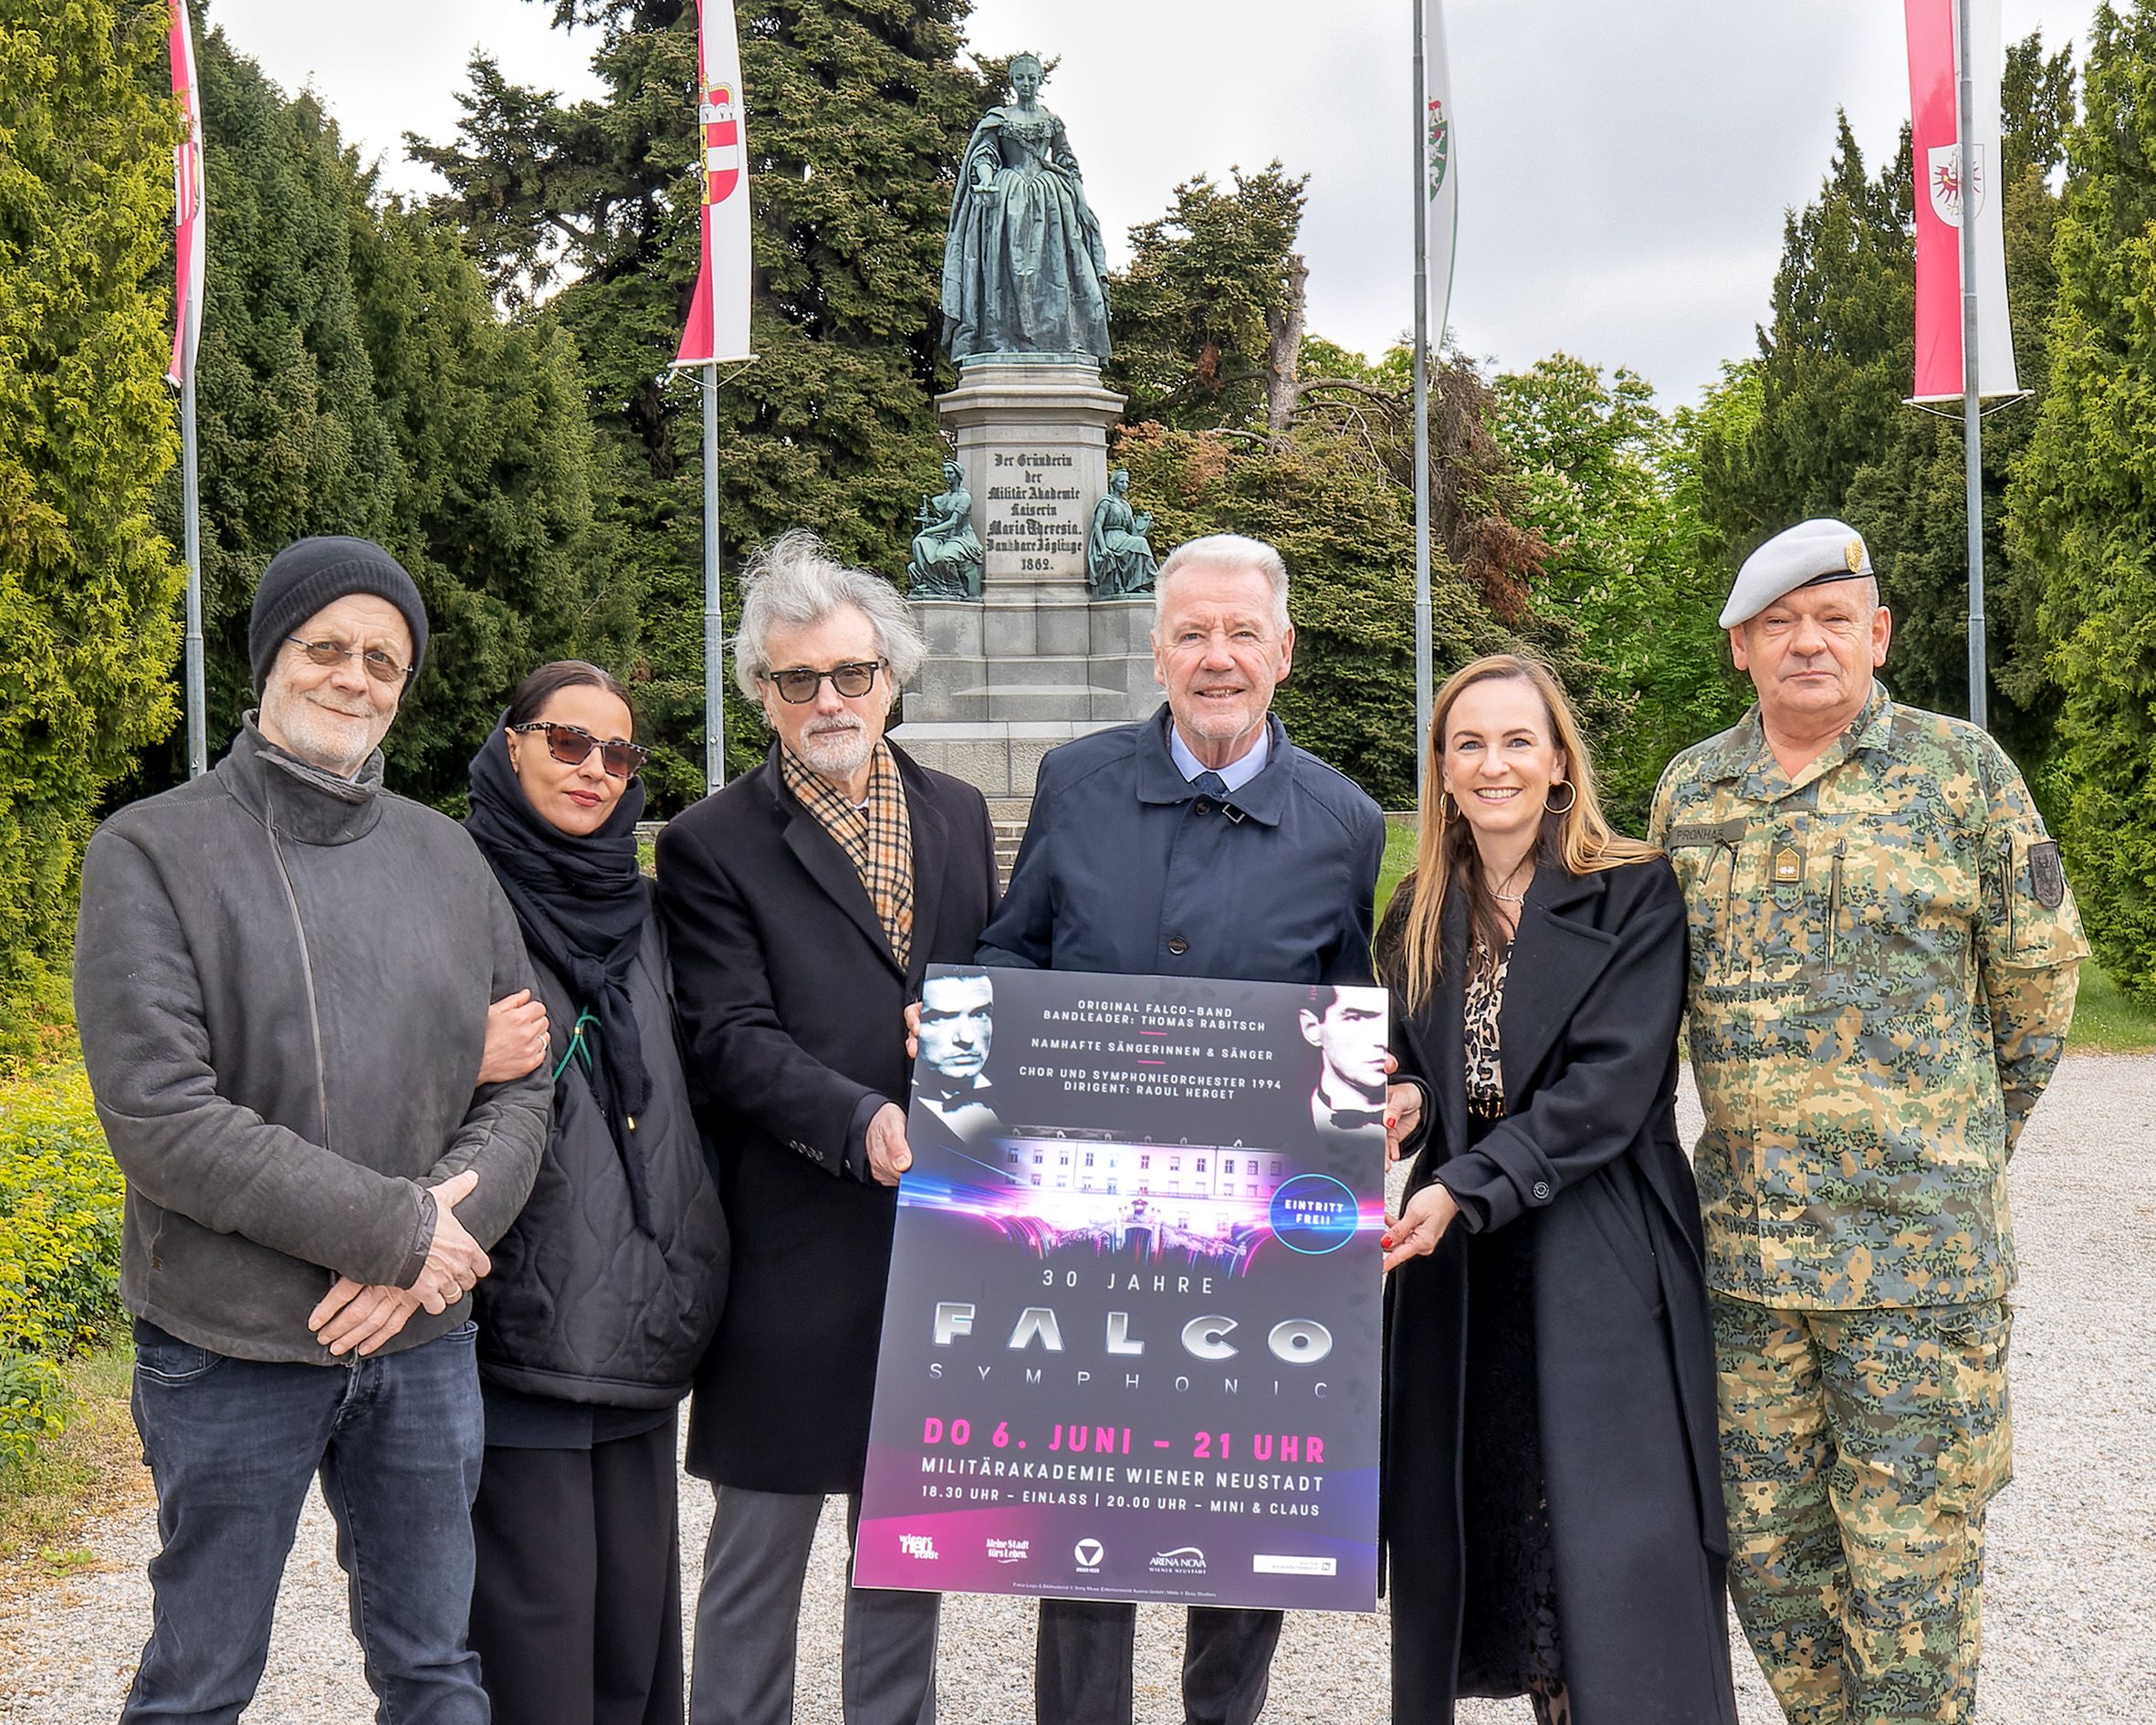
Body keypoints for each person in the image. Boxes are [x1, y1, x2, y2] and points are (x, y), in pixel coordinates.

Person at [71, 536, 549, 1723]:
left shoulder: (450, 858)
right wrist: (403, 1232)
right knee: (200, 1678)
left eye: (382, 659)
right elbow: (163, 1118)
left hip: (421, 1344)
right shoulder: (149, 852)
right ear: (270, 658)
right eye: (324, 646)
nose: (354, 677)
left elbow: (525, 1086)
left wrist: (420, 1256)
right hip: (230, 1340)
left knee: (435, 1669)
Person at [1647, 518, 2086, 1725]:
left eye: (1832, 618)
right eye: (1778, 623)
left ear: (1876, 634)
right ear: (1738, 645)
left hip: (1917, 1270)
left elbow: (2037, 987)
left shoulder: (1960, 773)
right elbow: (1638, 996)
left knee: (1910, 1576)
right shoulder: (1692, 792)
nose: (1807, 641)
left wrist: (1950, 1148)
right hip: (1748, 1268)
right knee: (1774, 1564)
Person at [975, 532, 1391, 1725]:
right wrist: (959, 1027)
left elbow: (1346, 1012)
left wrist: (1382, 1088)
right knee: (1085, 1501)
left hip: (1254, 1231)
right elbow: (1017, 950)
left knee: (1242, 1505)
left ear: (1283, 652)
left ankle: (1226, 1713)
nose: (1217, 657)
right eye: (1192, 633)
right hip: (1083, 1213)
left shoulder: (1343, 821)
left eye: (1240, 633)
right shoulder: (1075, 781)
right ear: (1155, 649)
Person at [655, 531, 1000, 1725]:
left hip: (940, 1240)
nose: (828, 699)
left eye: (850, 673)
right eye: (797, 679)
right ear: (761, 691)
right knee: (758, 1550)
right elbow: (727, 1036)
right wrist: (859, 1118)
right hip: (792, 1243)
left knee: (908, 1551)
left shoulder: (957, 813)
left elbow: (989, 990)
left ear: (891, 676)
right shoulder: (710, 842)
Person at [1378, 654, 1737, 1725]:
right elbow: (1424, 1075)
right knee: (1495, 1531)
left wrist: (1463, 1182)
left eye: (1517, 741)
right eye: (1469, 744)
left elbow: (1608, 1092)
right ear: (1441, 770)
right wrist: (1405, 1109)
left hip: (1595, 1241)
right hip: (1462, 1267)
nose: (1494, 765)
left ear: (1559, 764)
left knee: (1604, 1552)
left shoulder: (1632, 888)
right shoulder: (1416, 909)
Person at [460, 661, 731, 1725]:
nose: (596, 770)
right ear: (513, 741)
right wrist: (456, 1049)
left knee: (631, 1638)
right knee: (535, 1636)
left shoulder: (648, 909)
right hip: (514, 1317)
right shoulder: (454, 888)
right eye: (567, 741)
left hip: (642, 1314)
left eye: (619, 754)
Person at [941, 51, 1112, 361]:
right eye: (1020, 78)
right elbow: (985, 155)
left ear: (1041, 79)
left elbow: (1067, 161)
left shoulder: (1051, 121)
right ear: (1012, 81)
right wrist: (985, 180)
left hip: (1051, 202)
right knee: (1005, 271)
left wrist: (1082, 203)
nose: (1027, 83)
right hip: (1006, 200)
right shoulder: (1000, 118)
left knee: (1059, 271)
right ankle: (1000, 337)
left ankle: (1060, 337)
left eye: (1032, 78)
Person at [915, 967, 1002, 1141]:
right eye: (939, 1018)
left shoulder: (1020, 1100)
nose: (966, 1038)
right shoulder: (895, 1110)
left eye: (980, 1014)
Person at [1302, 985, 1389, 1140]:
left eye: (1388, 1019)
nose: (1382, 1041)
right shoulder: (1277, 1119)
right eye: (1356, 1018)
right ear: (1311, 1028)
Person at [908, 458, 985, 599]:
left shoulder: (964, 498)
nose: (946, 476)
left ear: (958, 475)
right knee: (919, 543)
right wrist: (930, 521)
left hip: (961, 538)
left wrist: (927, 531)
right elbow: (941, 521)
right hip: (944, 537)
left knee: (943, 557)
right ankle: (933, 583)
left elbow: (952, 523)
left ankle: (955, 588)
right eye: (945, 473)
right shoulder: (943, 498)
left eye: (950, 473)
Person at [1087, 468, 1158, 597]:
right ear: (1113, 483)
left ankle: (1138, 584)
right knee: (1140, 543)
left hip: (1124, 537)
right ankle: (1154, 577)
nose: (1124, 485)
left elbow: (1133, 531)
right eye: (1121, 482)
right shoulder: (1106, 502)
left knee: (1140, 542)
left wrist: (1145, 522)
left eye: (1126, 482)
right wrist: (1103, 547)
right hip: (1111, 537)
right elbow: (1097, 525)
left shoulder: (1126, 505)